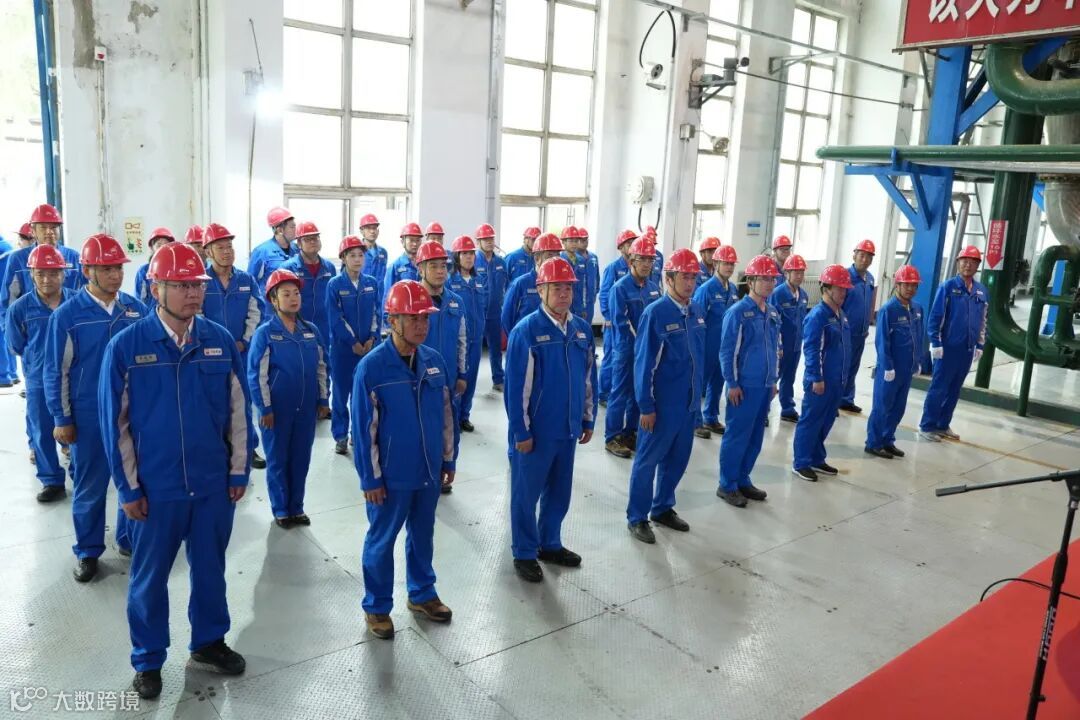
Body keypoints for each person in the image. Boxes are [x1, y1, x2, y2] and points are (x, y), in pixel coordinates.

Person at [99, 241, 252, 700]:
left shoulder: (218, 341)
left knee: (210, 569)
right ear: (155, 288)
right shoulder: (128, 347)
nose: (193, 293)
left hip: (211, 485)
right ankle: (148, 660)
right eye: (181, 285)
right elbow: (115, 425)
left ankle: (208, 641)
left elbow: (239, 412)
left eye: (197, 285)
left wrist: (238, 472)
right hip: (156, 488)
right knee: (149, 579)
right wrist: (129, 489)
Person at [353, 280, 458, 640]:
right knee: (382, 540)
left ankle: (422, 593)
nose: (421, 325)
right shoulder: (372, 368)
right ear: (392, 320)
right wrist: (370, 478)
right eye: (412, 318)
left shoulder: (434, 362)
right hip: (391, 476)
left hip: (428, 469)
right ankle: (377, 605)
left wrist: (448, 459)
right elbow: (364, 429)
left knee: (423, 535)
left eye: (425, 318)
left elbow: (447, 415)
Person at [45, 234, 147, 581]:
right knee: (90, 486)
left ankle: (128, 538)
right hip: (88, 415)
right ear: (88, 271)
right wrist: (62, 417)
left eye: (118, 268)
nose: (115, 275)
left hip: (131, 413)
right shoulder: (68, 316)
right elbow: (56, 371)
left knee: (133, 478)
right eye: (106, 269)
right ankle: (88, 550)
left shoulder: (135, 310)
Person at [505, 257, 596, 580]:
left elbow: (588, 378)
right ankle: (524, 551)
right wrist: (521, 431)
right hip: (537, 431)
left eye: (568, 288)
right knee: (526, 493)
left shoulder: (582, 330)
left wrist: (587, 418)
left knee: (559, 490)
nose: (564, 294)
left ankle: (550, 542)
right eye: (556, 288)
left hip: (568, 427)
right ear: (541, 290)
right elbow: (517, 390)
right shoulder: (527, 332)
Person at [625, 249, 705, 543]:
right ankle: (637, 517)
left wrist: (698, 401)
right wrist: (646, 406)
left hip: (688, 403)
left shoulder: (696, 311)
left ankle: (662, 507)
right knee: (647, 462)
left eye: (693, 277)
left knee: (678, 459)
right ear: (669, 278)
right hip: (662, 406)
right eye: (684, 277)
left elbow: (699, 358)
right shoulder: (656, 314)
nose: (690, 283)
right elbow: (644, 364)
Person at [248, 269, 330, 527]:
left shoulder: (311, 331)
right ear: (274, 300)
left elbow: (321, 367)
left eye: (296, 293)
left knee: (300, 459)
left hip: (306, 409)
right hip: (277, 411)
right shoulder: (265, 333)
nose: (293, 298)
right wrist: (265, 408)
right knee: (278, 460)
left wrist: (323, 400)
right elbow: (257, 375)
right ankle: (281, 509)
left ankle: (297, 507)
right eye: (286, 294)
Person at [7, 245, 75, 502]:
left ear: (63, 274)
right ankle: (52, 481)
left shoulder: (77, 303)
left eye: (53, 273)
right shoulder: (20, 309)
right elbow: (16, 345)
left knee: (78, 429)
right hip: (38, 381)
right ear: (31, 275)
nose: (47, 279)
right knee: (41, 431)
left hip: (73, 379)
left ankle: (80, 473)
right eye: (40, 274)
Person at [201, 223, 267, 469]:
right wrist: (213, 343)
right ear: (208, 251)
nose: (227, 251)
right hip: (209, 353)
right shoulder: (201, 282)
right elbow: (197, 315)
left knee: (243, 403)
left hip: (242, 352)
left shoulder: (245, 280)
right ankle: (218, 449)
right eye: (220, 247)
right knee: (213, 402)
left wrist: (245, 341)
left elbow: (256, 311)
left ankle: (248, 448)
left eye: (229, 246)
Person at [716, 255, 779, 508]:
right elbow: (727, 351)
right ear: (750, 281)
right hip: (744, 386)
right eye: (763, 278)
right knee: (737, 435)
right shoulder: (738, 313)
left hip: (764, 385)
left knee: (755, 436)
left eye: (772, 279)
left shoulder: (771, 312)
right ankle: (727, 484)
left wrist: (773, 380)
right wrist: (732, 383)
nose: (769, 283)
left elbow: (774, 348)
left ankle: (743, 479)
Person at [919, 245, 988, 442]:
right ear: (958, 263)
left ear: (977, 265)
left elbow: (983, 320)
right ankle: (927, 425)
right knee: (939, 387)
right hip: (947, 348)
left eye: (972, 262)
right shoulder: (947, 287)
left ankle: (942, 424)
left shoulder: (981, 291)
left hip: (967, 348)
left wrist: (980, 345)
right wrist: (935, 342)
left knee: (955, 388)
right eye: (964, 261)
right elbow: (935, 317)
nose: (968, 265)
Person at [792, 265, 853, 482]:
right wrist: (816, 378)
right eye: (839, 288)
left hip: (837, 381)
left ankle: (816, 458)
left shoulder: (841, 315)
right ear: (826, 288)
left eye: (845, 289)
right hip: (820, 381)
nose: (843, 293)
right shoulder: (818, 316)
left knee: (826, 420)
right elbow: (812, 349)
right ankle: (801, 462)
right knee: (811, 421)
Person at [415, 241, 467, 492]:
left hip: (449, 378)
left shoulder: (456, 302)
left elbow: (462, 340)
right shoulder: (412, 300)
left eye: (443, 266)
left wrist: (463, 373)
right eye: (433, 266)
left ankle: (446, 468)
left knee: (449, 426)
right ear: (421, 268)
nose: (440, 271)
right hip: (419, 379)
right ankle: (421, 475)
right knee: (420, 428)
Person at [605, 238, 661, 459]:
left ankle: (631, 433)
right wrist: (642, 344)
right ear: (631, 261)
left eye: (650, 260)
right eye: (642, 259)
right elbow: (621, 322)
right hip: (627, 349)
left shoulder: (654, 288)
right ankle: (612, 437)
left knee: (640, 391)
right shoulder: (620, 289)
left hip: (646, 350)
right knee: (620, 392)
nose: (647, 264)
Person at [326, 236, 379, 456]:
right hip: (343, 351)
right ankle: (340, 435)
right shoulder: (335, 285)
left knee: (363, 394)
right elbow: (335, 318)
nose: (357, 259)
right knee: (341, 394)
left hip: (368, 350)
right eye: (352, 255)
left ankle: (358, 433)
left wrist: (372, 338)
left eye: (361, 255)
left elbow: (376, 313)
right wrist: (353, 342)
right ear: (343, 258)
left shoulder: (371, 283)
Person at [866, 265, 924, 459]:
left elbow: (918, 337)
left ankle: (887, 439)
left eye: (914, 285)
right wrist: (888, 366)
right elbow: (882, 341)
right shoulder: (888, 310)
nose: (910, 289)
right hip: (890, 370)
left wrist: (918, 361)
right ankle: (873, 443)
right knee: (882, 407)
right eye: (906, 285)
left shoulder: (917, 309)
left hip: (907, 369)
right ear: (897, 285)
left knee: (898, 407)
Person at [691, 244, 740, 438]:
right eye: (725, 263)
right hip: (707, 344)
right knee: (699, 383)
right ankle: (695, 421)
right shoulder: (706, 290)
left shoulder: (733, 289)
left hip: (725, 346)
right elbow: (696, 320)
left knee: (718, 382)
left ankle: (710, 417)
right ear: (716, 263)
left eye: (732, 264)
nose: (729, 267)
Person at [1, 204, 84, 317]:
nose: (49, 231)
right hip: (31, 324)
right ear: (33, 231)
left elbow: (84, 297)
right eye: (43, 227)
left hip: (68, 323)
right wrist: (11, 326)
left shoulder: (74, 258)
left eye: (54, 227)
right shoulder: (18, 259)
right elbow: (7, 302)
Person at [448, 235, 487, 433]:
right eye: (464, 253)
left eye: (471, 253)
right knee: (457, 378)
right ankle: (453, 417)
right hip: (458, 340)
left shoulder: (479, 281)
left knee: (471, 379)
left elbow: (484, 308)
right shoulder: (450, 282)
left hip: (476, 339)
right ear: (457, 256)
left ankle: (465, 416)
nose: (469, 257)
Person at [280, 222, 336, 352]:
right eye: (308, 239)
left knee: (324, 361)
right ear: (299, 243)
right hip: (297, 327)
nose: (313, 242)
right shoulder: (288, 268)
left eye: (316, 238)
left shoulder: (329, 268)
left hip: (324, 328)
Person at [598, 229, 637, 406]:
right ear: (621, 247)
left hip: (632, 323)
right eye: (628, 244)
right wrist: (607, 316)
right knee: (610, 358)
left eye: (633, 243)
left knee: (628, 360)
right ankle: (604, 393)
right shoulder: (613, 268)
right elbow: (604, 293)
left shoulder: (637, 268)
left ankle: (623, 391)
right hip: (613, 323)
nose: (632, 246)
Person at [769, 254, 809, 423]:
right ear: (786, 273)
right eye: (795, 272)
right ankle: (763, 409)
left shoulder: (804, 295)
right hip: (781, 345)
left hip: (796, 345)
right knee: (773, 378)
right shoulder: (777, 293)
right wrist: (777, 345)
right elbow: (772, 321)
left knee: (789, 377)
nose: (799, 276)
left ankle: (787, 408)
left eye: (801, 272)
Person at [839, 239, 877, 413]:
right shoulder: (844, 277)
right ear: (854, 255)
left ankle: (846, 399)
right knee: (840, 367)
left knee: (853, 367)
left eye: (869, 256)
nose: (865, 259)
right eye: (862, 255)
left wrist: (868, 323)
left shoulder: (870, 279)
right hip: (844, 332)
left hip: (860, 333)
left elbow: (869, 302)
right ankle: (833, 399)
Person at [501, 232, 564, 333]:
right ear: (537, 258)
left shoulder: (563, 285)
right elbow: (506, 319)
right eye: (550, 255)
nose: (555, 260)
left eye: (558, 255)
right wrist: (519, 337)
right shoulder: (520, 284)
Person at [473, 223, 508, 392]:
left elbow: (507, 286)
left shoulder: (501, 262)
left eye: (491, 239)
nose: (489, 242)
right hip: (477, 313)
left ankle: (498, 380)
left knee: (496, 348)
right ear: (478, 241)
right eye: (485, 239)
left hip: (495, 313)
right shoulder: (472, 261)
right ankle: (469, 382)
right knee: (473, 350)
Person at [383, 222, 423, 326]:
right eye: (411, 240)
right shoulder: (395, 267)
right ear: (402, 241)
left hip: (422, 316)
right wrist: (388, 323)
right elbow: (387, 296)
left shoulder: (424, 265)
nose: (415, 244)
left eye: (417, 240)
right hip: (403, 318)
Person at [248, 206, 297, 288]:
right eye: (292, 227)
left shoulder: (297, 250)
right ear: (280, 230)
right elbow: (250, 282)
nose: (296, 230)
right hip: (270, 296)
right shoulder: (261, 252)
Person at [134, 228, 175, 310]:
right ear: (152, 248)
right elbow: (138, 299)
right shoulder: (143, 271)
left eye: (166, 245)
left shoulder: (175, 269)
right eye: (158, 245)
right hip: (149, 315)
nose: (162, 248)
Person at [359, 213, 388, 305]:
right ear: (362, 231)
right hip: (360, 297)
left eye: (374, 228)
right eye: (368, 228)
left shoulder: (383, 252)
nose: (372, 231)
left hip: (379, 298)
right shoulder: (356, 252)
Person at [575, 226, 601, 326]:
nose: (584, 242)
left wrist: (595, 293)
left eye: (586, 240)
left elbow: (597, 277)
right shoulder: (573, 258)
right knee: (576, 327)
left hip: (590, 301)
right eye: (582, 240)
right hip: (577, 301)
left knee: (587, 326)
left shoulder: (593, 257)